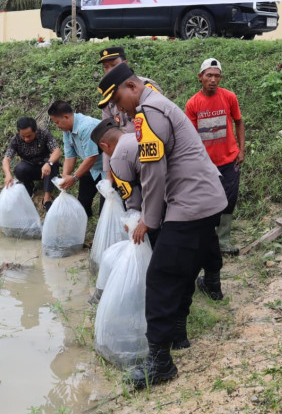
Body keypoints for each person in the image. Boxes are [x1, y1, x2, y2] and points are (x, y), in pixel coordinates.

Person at [96, 62, 227, 389]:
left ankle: (160, 363)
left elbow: (153, 173)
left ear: (131, 87)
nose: (119, 111)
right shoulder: (157, 105)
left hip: (191, 203)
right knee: (183, 270)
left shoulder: (148, 112)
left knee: (160, 276)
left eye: (118, 101)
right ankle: (177, 334)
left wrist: (148, 221)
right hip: (204, 200)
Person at [185, 57, 245, 256]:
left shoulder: (229, 97)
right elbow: (191, 136)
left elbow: (239, 122)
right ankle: (208, 239)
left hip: (229, 160)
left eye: (217, 76)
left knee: (229, 199)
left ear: (221, 78)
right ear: (200, 77)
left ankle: (223, 240)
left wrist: (241, 150)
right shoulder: (193, 104)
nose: (213, 80)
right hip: (206, 164)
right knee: (208, 201)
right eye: (209, 75)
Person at [97, 46, 162, 181]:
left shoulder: (144, 87)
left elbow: (158, 124)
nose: (109, 71)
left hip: (149, 153)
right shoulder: (108, 97)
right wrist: (109, 173)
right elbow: (107, 135)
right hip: (124, 158)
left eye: (113, 65)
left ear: (125, 64)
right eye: (105, 67)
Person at [47, 100, 103, 218]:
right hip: (92, 167)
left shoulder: (86, 126)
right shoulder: (67, 130)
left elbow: (92, 157)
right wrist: (65, 177)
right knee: (82, 203)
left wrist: (74, 177)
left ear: (66, 117)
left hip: (109, 166)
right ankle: (84, 220)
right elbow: (70, 157)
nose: (57, 126)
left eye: (57, 122)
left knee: (106, 206)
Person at [1, 117, 62, 210]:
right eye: (23, 136)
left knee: (53, 164)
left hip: (46, 166)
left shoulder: (43, 134)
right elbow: (6, 159)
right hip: (30, 166)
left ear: (35, 130)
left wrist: (49, 163)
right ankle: (30, 187)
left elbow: (57, 151)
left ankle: (46, 199)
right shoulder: (16, 140)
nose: (26, 139)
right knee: (18, 169)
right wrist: (7, 174)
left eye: (29, 136)